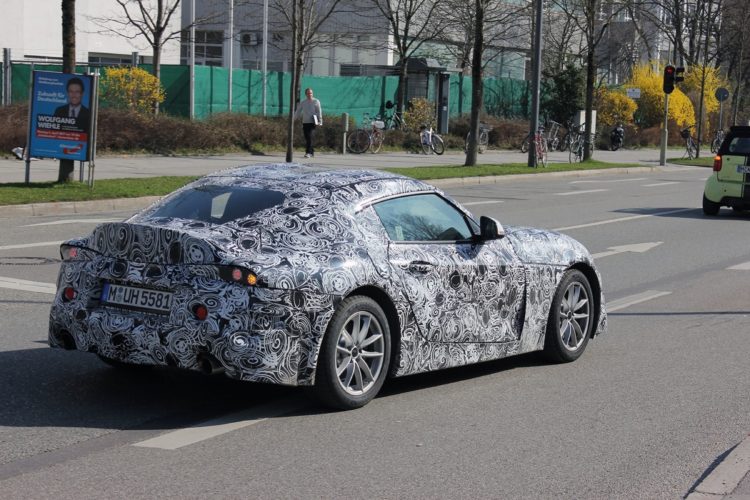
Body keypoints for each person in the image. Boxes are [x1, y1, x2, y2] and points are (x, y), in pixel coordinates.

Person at [294, 87, 323, 158]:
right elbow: (298, 111)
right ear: (306, 94)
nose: (310, 94)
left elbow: (319, 111)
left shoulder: (316, 101)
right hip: (305, 122)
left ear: (312, 94)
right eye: (308, 93)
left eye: (311, 93)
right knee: (308, 138)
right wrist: (293, 119)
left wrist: (320, 121)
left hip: (313, 122)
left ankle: (308, 152)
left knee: (310, 137)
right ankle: (312, 152)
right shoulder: (303, 102)